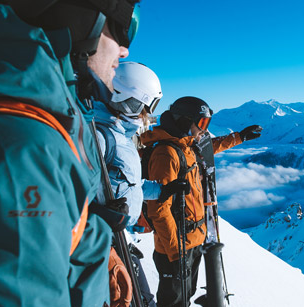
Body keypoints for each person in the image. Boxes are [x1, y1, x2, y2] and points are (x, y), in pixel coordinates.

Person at [0, 0, 138, 305]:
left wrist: (88, 228)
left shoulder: (36, 122)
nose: (124, 49)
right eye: (121, 27)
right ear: (79, 19)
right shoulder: (23, 149)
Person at [140, 96, 262, 307]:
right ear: (184, 121)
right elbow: (159, 210)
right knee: (173, 302)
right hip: (176, 246)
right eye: (202, 123)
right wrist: (175, 253)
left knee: (185, 296)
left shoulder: (187, 146)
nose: (205, 129)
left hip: (193, 240)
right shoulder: (166, 154)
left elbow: (208, 148)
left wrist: (239, 137)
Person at [94, 61, 189, 307]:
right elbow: (72, 196)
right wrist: (98, 214)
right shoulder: (101, 138)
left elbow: (128, 184)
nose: (149, 113)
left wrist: (161, 190)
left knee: (143, 300)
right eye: (149, 105)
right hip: (106, 243)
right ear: (132, 101)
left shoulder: (122, 137)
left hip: (123, 238)